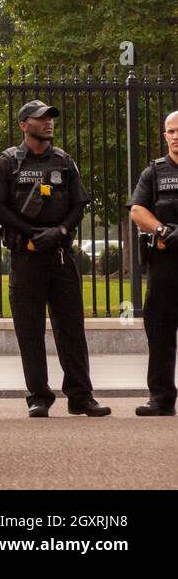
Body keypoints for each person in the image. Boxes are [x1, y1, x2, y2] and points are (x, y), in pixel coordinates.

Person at [0, 99, 110, 418]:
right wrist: (29, 232)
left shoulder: (64, 162)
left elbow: (79, 204)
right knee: (29, 329)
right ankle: (39, 396)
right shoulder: (7, 163)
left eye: (50, 118)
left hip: (60, 255)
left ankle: (81, 396)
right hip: (26, 255)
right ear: (24, 125)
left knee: (71, 327)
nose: (48, 122)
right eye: (40, 118)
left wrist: (61, 230)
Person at [129, 110, 178, 417]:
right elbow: (137, 210)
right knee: (160, 333)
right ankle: (161, 399)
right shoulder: (154, 172)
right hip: (165, 263)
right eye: (171, 131)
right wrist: (162, 230)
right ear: (165, 136)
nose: (176, 136)